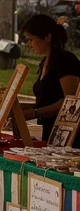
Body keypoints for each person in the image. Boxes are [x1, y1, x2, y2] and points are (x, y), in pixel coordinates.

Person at [21, 14, 80, 145]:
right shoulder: (45, 61)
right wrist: (22, 107)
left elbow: (70, 102)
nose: (30, 45)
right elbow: (46, 99)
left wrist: (35, 113)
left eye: (31, 40)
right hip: (48, 132)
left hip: (67, 138)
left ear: (47, 37)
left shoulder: (65, 60)